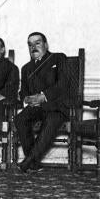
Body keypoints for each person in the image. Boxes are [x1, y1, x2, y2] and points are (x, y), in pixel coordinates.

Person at [14, 32, 68, 173]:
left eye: (37, 43)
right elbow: (23, 91)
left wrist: (43, 96)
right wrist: (26, 99)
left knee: (51, 119)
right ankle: (34, 163)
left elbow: (63, 84)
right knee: (20, 119)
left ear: (45, 44)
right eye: (30, 44)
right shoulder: (26, 68)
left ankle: (29, 160)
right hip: (36, 107)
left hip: (56, 107)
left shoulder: (58, 58)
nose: (33, 47)